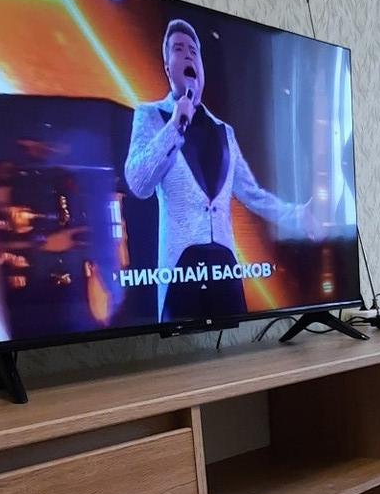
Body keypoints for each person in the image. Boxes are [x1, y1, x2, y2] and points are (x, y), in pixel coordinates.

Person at [125, 18, 311, 320]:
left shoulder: (225, 131)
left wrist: (296, 215)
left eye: (193, 51)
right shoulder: (151, 116)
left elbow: (252, 194)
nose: (188, 56)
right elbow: (138, 182)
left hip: (225, 269)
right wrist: (174, 126)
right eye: (179, 49)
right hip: (181, 273)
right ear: (167, 67)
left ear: (201, 67)